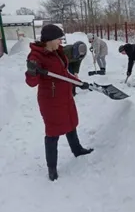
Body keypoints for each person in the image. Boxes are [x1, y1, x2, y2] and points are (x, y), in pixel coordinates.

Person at [25, 24, 94, 181]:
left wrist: (78, 82)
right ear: (49, 40)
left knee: (71, 123)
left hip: (65, 95)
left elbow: (64, 73)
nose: (60, 42)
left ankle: (77, 150)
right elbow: (31, 82)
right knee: (53, 132)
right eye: (58, 39)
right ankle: (52, 168)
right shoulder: (36, 56)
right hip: (51, 100)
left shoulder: (57, 52)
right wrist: (31, 71)